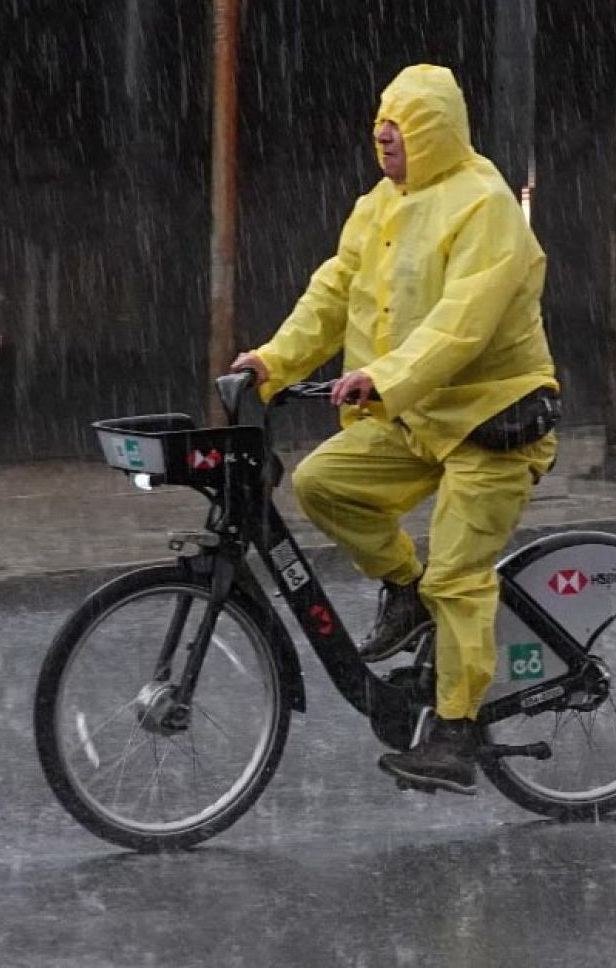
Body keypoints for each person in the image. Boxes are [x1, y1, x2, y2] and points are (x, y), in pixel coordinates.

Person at [231, 64, 560, 796]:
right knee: (323, 483)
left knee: (459, 576)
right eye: (381, 131)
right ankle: (403, 590)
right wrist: (272, 362)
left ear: (436, 132)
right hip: (414, 415)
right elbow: (334, 290)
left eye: (401, 132)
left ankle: (456, 730)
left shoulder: (486, 205)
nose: (386, 143)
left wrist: (385, 377)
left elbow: (463, 323)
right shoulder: (379, 205)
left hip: (492, 419)